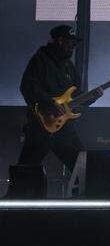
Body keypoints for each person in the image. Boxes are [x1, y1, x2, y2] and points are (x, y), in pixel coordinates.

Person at [17, 25, 100, 172]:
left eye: (74, 44)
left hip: (64, 129)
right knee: (26, 171)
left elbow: (76, 97)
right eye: (70, 43)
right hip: (41, 126)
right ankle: (18, 194)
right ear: (60, 41)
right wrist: (50, 103)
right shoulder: (40, 60)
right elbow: (27, 87)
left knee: (83, 169)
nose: (73, 47)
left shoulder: (68, 66)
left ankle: (83, 194)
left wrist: (91, 98)